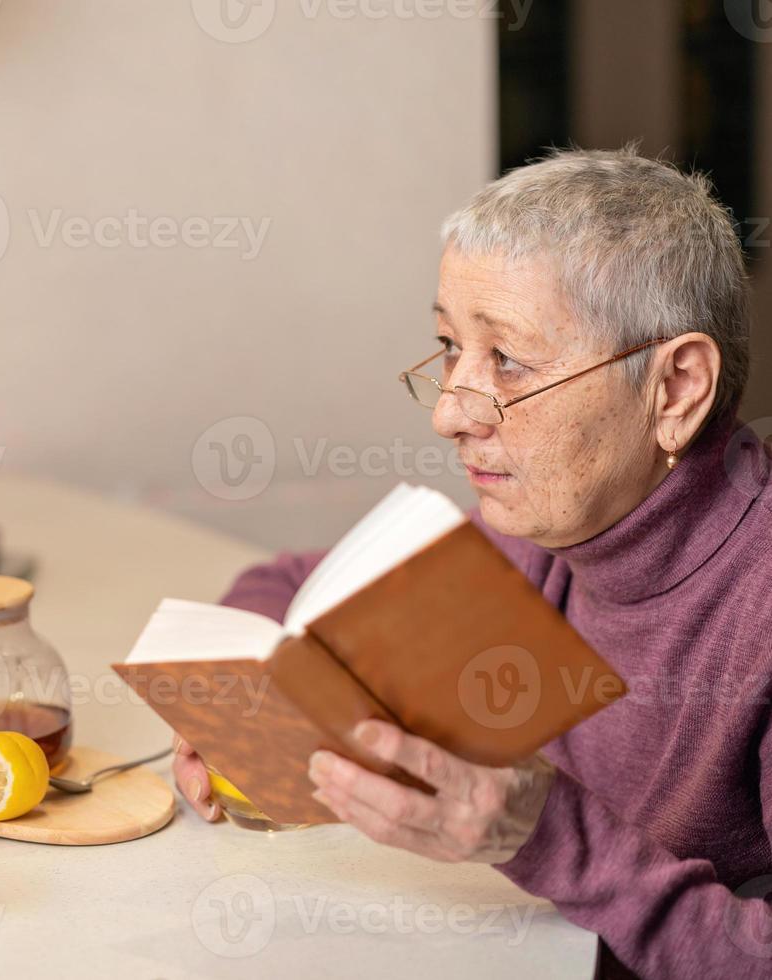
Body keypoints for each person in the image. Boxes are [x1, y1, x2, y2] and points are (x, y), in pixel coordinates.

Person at [175, 148, 772, 978]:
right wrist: (233, 696)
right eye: (450, 346)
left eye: (510, 361)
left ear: (674, 389)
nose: (450, 412)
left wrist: (545, 835)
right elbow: (285, 586)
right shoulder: (547, 529)